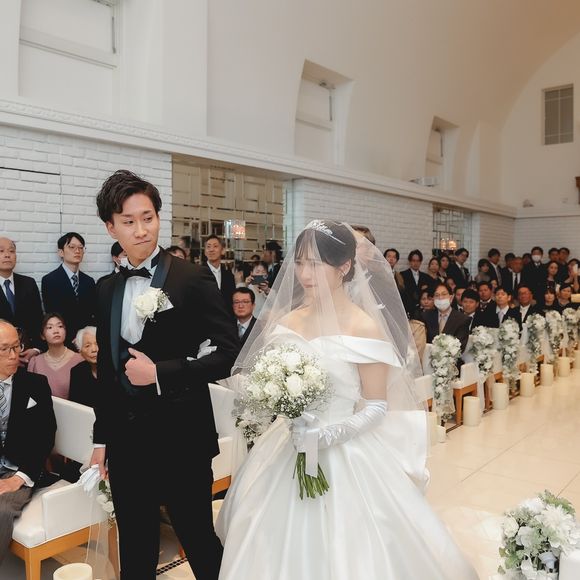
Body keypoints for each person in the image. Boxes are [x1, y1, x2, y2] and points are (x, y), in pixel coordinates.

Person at [215, 220, 478, 580]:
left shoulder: (363, 326)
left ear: (344, 266)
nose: (305, 274)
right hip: (286, 445)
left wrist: (328, 435)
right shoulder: (287, 321)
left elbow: (377, 406)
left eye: (316, 264)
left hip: (345, 448)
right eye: (300, 263)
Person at [90, 169, 239, 580]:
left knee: (198, 540)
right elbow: (107, 370)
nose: (141, 230)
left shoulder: (191, 277)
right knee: (136, 547)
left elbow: (229, 353)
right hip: (126, 442)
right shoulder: (105, 289)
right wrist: (101, 439)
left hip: (182, 438)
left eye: (148, 217)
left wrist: (160, 373)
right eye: (129, 221)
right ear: (110, 227)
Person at [0, 321, 56, 564]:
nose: (14, 355)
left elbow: (45, 435)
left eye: (17, 346)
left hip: (19, 470)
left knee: (2, 510)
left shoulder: (36, 385)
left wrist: (19, 478)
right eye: (5, 349)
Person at [41, 232, 96, 344]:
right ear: (61, 252)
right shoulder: (49, 280)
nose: (77, 251)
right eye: (72, 247)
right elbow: (52, 314)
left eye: (81, 248)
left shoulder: (89, 281)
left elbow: (92, 313)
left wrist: (84, 336)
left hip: (86, 340)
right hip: (62, 340)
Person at [0, 237, 44, 362]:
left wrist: (36, 348)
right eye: (1, 251)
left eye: (11, 251)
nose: (7, 255)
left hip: (28, 354)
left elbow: (38, 319)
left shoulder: (29, 283)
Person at [27, 313, 83, 399]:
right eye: (50, 327)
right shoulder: (35, 362)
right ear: (42, 336)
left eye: (60, 326)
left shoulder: (80, 359)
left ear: (65, 331)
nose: (56, 331)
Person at [422, 282, 470, 352]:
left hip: (452, 357)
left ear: (451, 297)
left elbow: (461, 346)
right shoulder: (425, 316)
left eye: (444, 294)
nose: (440, 298)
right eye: (437, 295)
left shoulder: (462, 319)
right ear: (433, 299)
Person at [203, 235, 236, 312]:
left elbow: (231, 300)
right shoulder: (197, 273)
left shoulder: (229, 275)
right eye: (208, 247)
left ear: (223, 250)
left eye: (215, 246)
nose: (211, 250)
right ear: (205, 252)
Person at [69, 326, 99, 408]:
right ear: (80, 351)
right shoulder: (77, 372)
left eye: (97, 344)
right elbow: (74, 405)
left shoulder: (115, 369)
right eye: (87, 346)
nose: (94, 349)